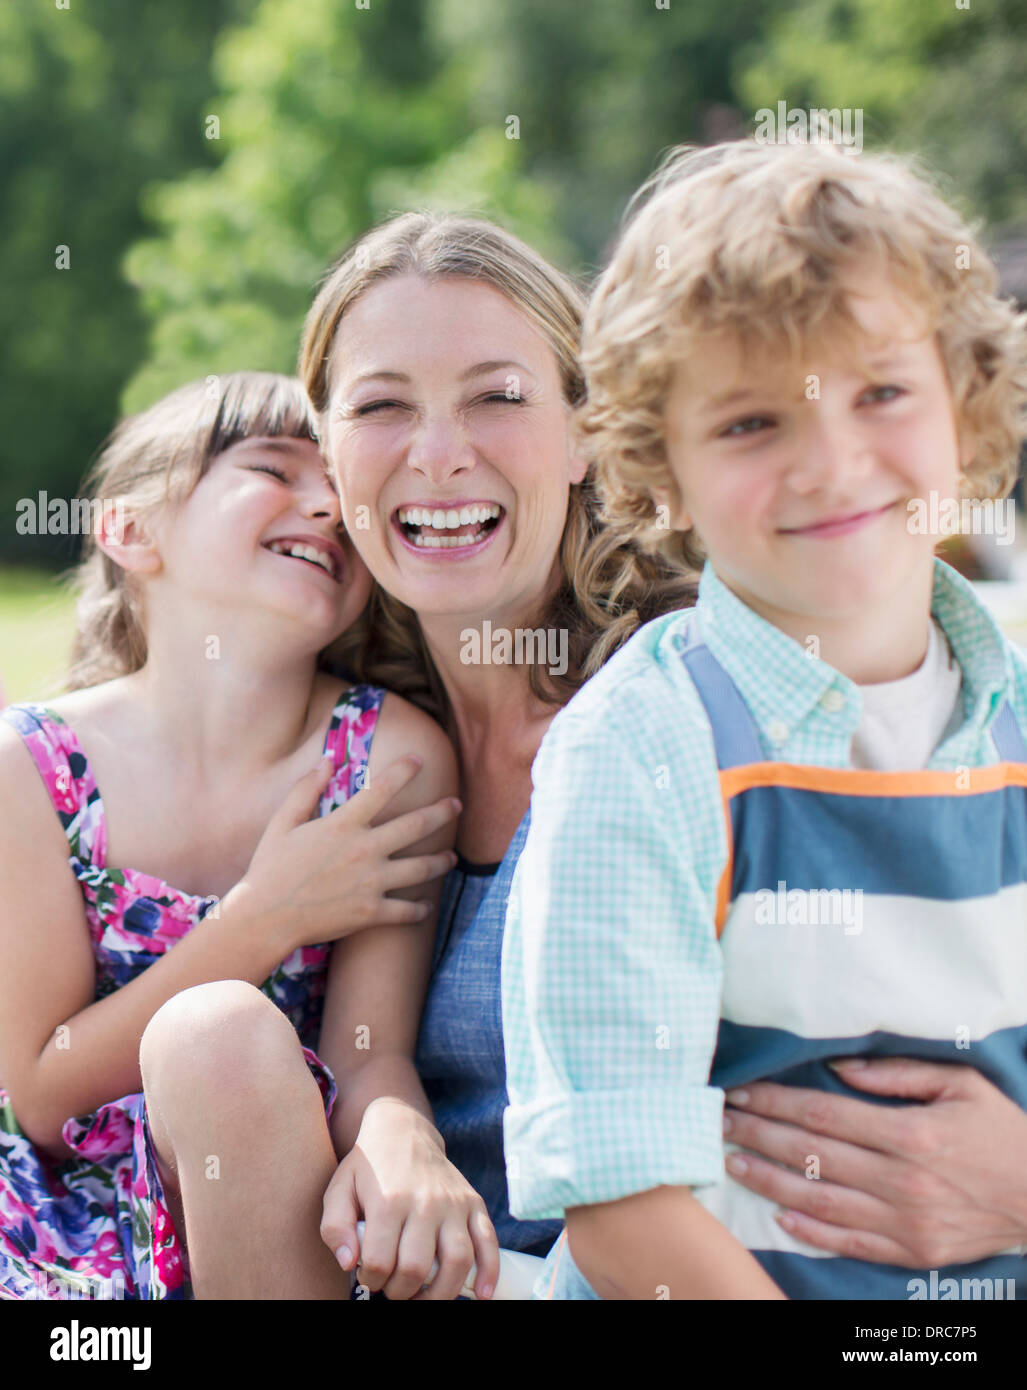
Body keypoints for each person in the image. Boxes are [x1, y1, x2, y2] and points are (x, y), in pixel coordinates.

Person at [501, 139, 1027, 1298]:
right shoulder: (644, 751)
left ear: (964, 405)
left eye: (880, 393)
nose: (831, 464)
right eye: (750, 423)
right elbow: (624, 1208)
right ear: (660, 466)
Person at [0, 371, 489, 1301]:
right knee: (215, 1024)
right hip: (66, 1230)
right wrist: (263, 920)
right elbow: (44, 1096)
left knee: (221, 1039)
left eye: (341, 496)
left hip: (277, 1215)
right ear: (130, 529)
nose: (328, 507)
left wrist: (404, 1138)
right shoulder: (35, 767)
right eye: (272, 469)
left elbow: (367, 1047)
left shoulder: (388, 755)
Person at [297, 212, 698, 1279]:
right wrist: (393, 1129)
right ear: (327, 452)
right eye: (382, 406)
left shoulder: (682, 698)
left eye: (497, 397)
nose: (437, 455)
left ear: (586, 433)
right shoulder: (343, 734)